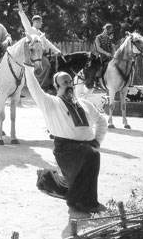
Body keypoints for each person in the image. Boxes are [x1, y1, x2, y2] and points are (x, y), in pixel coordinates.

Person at [23, 60, 108, 213]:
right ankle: (84, 203)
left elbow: (102, 120)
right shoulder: (51, 103)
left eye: (70, 81)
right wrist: (28, 69)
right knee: (92, 156)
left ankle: (47, 177)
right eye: (64, 82)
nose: (69, 84)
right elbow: (34, 89)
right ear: (57, 86)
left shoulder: (84, 103)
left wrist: (97, 140)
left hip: (87, 146)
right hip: (66, 149)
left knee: (79, 174)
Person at [18, 2, 61, 90]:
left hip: (40, 54)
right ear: (36, 22)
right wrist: (21, 12)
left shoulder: (41, 33)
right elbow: (26, 23)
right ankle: (42, 84)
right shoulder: (31, 30)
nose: (41, 23)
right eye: (40, 22)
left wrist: (57, 51)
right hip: (32, 54)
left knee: (52, 63)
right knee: (47, 65)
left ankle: (48, 82)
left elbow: (48, 44)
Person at [92, 23, 116, 88]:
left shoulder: (109, 38)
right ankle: (96, 81)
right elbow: (98, 48)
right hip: (100, 55)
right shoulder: (98, 38)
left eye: (111, 31)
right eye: (109, 30)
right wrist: (106, 53)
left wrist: (114, 53)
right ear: (105, 29)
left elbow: (112, 47)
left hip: (109, 56)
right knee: (99, 66)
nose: (110, 32)